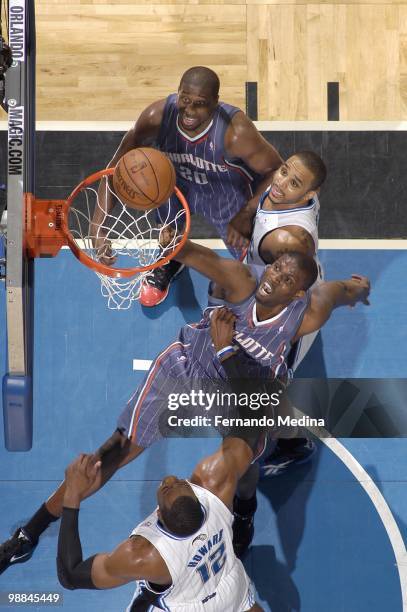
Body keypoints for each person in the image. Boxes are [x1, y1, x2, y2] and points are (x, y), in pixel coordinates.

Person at [0, 237, 370, 573]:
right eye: (275, 268)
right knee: (110, 454)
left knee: (238, 466)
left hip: (245, 392)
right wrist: (178, 245)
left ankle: (244, 510)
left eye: (287, 280)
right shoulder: (243, 281)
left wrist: (357, 289)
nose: (274, 279)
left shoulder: (307, 313)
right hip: (187, 369)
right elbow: (205, 258)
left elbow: (336, 291)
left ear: (297, 294)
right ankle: (29, 534)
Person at [92, 65, 283, 306]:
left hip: (226, 194)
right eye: (185, 99)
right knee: (167, 226)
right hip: (176, 187)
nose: (189, 110)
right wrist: (98, 228)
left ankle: (250, 277)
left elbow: (275, 170)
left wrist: (247, 212)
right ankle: (172, 257)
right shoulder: (157, 117)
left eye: (200, 103)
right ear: (178, 93)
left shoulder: (236, 133)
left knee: (251, 272)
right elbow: (115, 167)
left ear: (215, 103)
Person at [56, 436, 265, 611]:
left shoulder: (143, 556)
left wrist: (73, 494)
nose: (169, 478)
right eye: (179, 482)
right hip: (230, 587)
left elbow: (70, 575)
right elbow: (247, 434)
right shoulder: (215, 483)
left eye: (168, 488)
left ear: (159, 515)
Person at [231, 151, 328, 478]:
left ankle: (294, 443)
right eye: (284, 171)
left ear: (310, 194)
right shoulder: (291, 196)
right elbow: (270, 188)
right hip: (280, 283)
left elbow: (288, 294)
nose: (281, 183)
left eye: (294, 182)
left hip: (291, 306)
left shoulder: (290, 241)